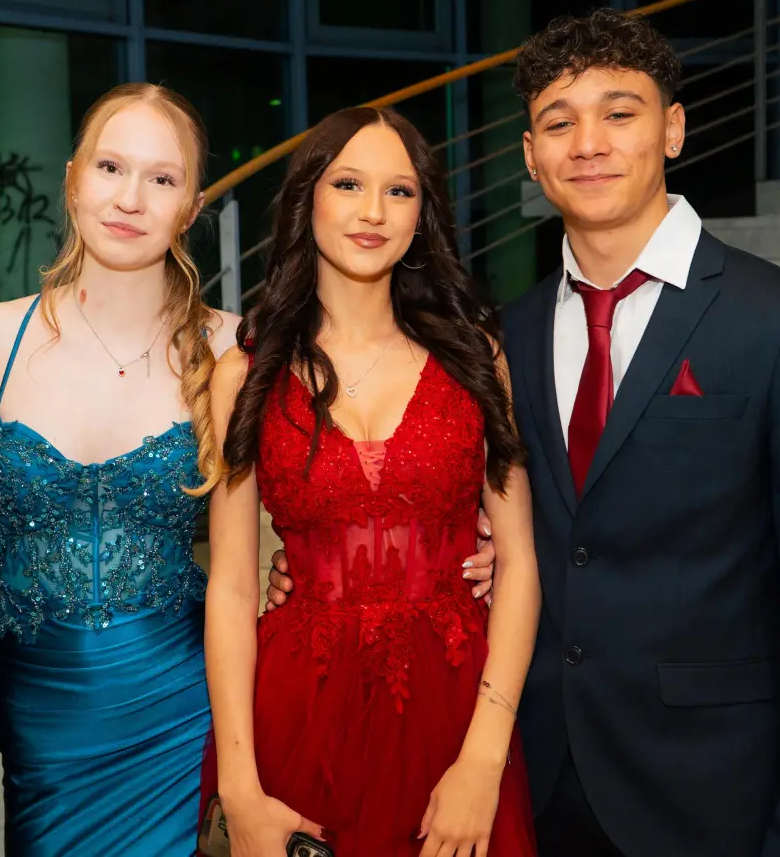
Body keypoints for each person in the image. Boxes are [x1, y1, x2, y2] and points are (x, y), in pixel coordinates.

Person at [269, 8, 780, 857]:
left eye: (620, 112)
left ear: (672, 129)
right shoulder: (500, 338)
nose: (587, 143)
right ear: (531, 156)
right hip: (529, 778)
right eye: (558, 123)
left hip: (709, 793)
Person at [203, 105, 541, 857]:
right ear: (307, 200)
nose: (373, 212)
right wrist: (239, 785)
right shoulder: (244, 372)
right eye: (349, 183)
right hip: (296, 710)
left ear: (424, 214)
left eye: (400, 191)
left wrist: (485, 758)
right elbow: (230, 585)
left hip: (457, 712)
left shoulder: (475, 358)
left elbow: (518, 565)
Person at [0, 82, 238, 854]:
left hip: (181, 701)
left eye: (162, 178)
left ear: (193, 207)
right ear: (72, 179)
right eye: (110, 167)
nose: (130, 198)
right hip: (43, 717)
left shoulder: (234, 350)